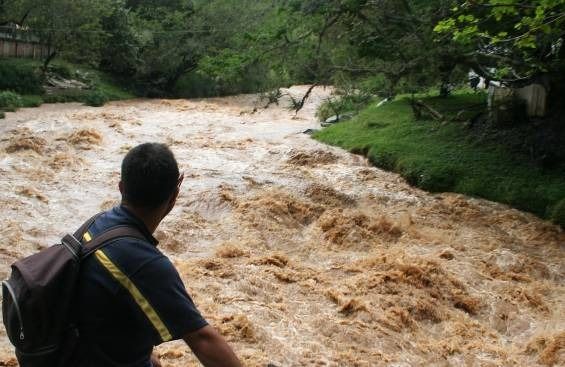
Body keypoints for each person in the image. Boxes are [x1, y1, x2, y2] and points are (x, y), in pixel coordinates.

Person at [73, 143, 241, 367]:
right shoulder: (144, 263)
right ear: (174, 196)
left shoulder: (95, 225)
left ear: (121, 187)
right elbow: (203, 340)